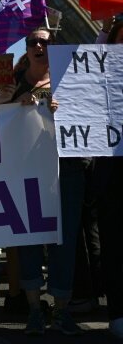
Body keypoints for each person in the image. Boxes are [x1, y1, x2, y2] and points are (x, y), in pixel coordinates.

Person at [0, 27, 84, 336]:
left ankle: (60, 311)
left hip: (65, 171)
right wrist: (13, 105)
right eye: (32, 41)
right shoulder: (12, 85)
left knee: (64, 241)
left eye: (44, 42)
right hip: (25, 171)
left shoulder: (72, 82)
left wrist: (67, 110)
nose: (37, 45)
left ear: (55, 47)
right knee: (29, 239)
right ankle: (35, 310)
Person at [95, 19, 123, 338]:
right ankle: (118, 311)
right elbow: (86, 70)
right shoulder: (98, 74)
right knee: (113, 242)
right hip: (110, 168)